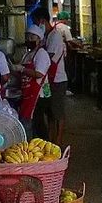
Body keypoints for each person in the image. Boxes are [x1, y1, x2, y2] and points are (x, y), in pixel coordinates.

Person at [31, 8, 70, 144]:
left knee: (58, 112)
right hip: (49, 80)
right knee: (50, 111)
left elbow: (49, 58)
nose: (36, 25)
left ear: (42, 20)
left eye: (36, 22)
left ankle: (58, 141)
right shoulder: (46, 36)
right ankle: (51, 140)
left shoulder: (55, 36)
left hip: (58, 79)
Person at [11, 26, 52, 138]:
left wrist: (22, 69)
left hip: (39, 94)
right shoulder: (27, 54)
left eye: (32, 37)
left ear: (39, 39)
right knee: (31, 123)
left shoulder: (41, 54)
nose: (29, 39)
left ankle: (42, 150)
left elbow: (39, 73)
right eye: (27, 37)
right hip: (28, 93)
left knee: (37, 124)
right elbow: (22, 73)